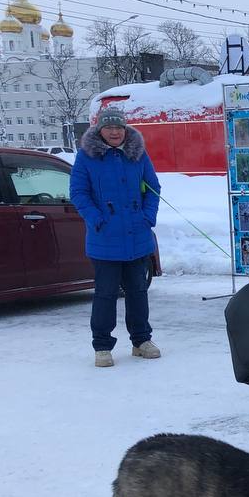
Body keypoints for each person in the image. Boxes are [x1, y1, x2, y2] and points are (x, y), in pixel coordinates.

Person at [70, 106, 161, 367]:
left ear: (125, 129)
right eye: (109, 127)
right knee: (105, 294)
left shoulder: (137, 154)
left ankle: (141, 340)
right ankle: (102, 345)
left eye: (118, 127)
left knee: (138, 291)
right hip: (104, 237)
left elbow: (153, 188)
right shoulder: (87, 157)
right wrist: (96, 219)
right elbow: (78, 192)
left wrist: (147, 217)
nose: (114, 132)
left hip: (137, 234)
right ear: (100, 130)